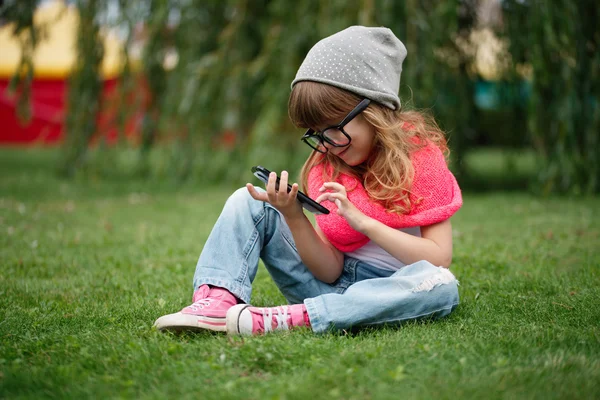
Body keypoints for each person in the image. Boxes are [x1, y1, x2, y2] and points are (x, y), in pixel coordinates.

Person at [154, 26, 463, 335]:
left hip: (392, 292)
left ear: (373, 109)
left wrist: (365, 223)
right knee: (246, 201)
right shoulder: (327, 165)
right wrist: (293, 216)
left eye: (333, 127)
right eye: (317, 133)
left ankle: (296, 318)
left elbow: (439, 257)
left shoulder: (421, 161)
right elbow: (330, 272)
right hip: (328, 289)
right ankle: (217, 303)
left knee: (442, 286)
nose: (326, 143)